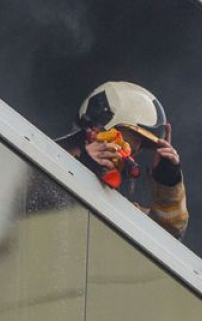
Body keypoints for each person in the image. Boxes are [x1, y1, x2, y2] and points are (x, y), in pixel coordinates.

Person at [57, 81, 188, 238]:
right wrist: (81, 170)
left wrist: (167, 181)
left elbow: (168, 234)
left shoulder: (113, 204)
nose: (127, 160)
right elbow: (30, 199)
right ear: (93, 132)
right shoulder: (35, 156)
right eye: (120, 146)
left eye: (131, 153)